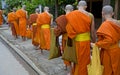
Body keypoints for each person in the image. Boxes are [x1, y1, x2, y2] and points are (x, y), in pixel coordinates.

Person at [66, 1, 96, 75]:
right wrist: (94, 41)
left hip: (75, 41)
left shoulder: (71, 14)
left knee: (76, 60)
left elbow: (68, 29)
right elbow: (92, 31)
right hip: (86, 41)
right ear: (86, 6)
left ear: (77, 6)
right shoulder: (90, 15)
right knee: (84, 61)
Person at [94, 5, 120, 75]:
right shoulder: (118, 23)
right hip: (117, 50)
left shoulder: (105, 25)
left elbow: (109, 40)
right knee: (116, 70)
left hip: (108, 52)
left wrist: (97, 44)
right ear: (113, 13)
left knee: (107, 71)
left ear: (102, 13)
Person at [54, 4, 74, 74]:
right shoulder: (75, 17)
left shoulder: (62, 18)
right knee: (72, 54)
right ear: (72, 10)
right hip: (73, 38)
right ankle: (72, 70)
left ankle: (69, 70)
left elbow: (58, 29)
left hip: (65, 38)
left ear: (65, 10)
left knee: (65, 53)